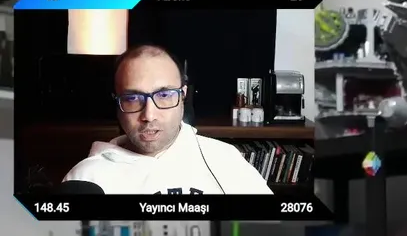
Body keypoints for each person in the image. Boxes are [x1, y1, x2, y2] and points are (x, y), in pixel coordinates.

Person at [62, 44, 273, 195]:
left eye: (164, 95)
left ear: (183, 96)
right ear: (117, 103)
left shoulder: (225, 158)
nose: (149, 115)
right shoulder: (86, 178)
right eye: (132, 98)